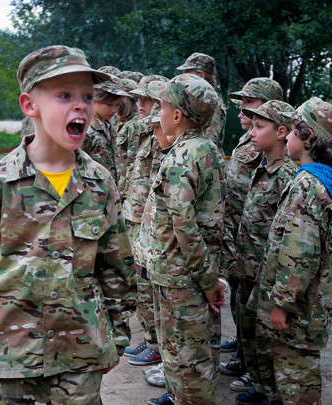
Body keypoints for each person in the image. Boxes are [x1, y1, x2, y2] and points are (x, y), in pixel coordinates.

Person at [0, 45, 137, 404]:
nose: (81, 105)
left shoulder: (100, 184)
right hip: (4, 359)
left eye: (87, 96)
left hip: (80, 356)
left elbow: (117, 268)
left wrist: (115, 338)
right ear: (30, 105)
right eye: (64, 95)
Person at [254, 97, 332, 405]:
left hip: (297, 312)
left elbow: (300, 252)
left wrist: (281, 303)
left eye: (294, 130)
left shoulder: (308, 186)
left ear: (308, 138)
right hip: (307, 306)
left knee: (297, 382)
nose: (287, 136)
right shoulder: (318, 181)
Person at [142, 73, 226, 405]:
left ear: (176, 115)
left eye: (161, 106)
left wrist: (207, 281)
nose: (157, 114)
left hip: (182, 277)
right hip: (178, 275)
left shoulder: (186, 154)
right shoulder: (199, 148)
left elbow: (184, 225)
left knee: (188, 362)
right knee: (177, 354)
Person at [220, 100, 298, 405]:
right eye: (250, 126)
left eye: (259, 126)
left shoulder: (286, 176)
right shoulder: (264, 168)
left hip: (266, 273)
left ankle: (273, 391)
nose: (251, 133)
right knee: (248, 329)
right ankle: (261, 385)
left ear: (281, 132)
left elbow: (287, 235)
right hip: (246, 266)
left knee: (266, 337)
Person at [120, 77, 170, 369]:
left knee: (149, 285)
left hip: (149, 222)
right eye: (137, 99)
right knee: (141, 284)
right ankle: (152, 339)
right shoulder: (146, 132)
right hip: (135, 216)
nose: (139, 105)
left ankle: (157, 345)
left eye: (146, 100)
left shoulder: (159, 136)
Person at [82, 75, 130, 182]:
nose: (114, 110)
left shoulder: (109, 126)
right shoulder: (86, 129)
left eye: (117, 105)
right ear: (95, 99)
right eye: (109, 105)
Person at [176, 52, 226, 148]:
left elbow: (207, 144)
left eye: (188, 73)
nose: (184, 77)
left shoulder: (213, 106)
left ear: (201, 76)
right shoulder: (195, 101)